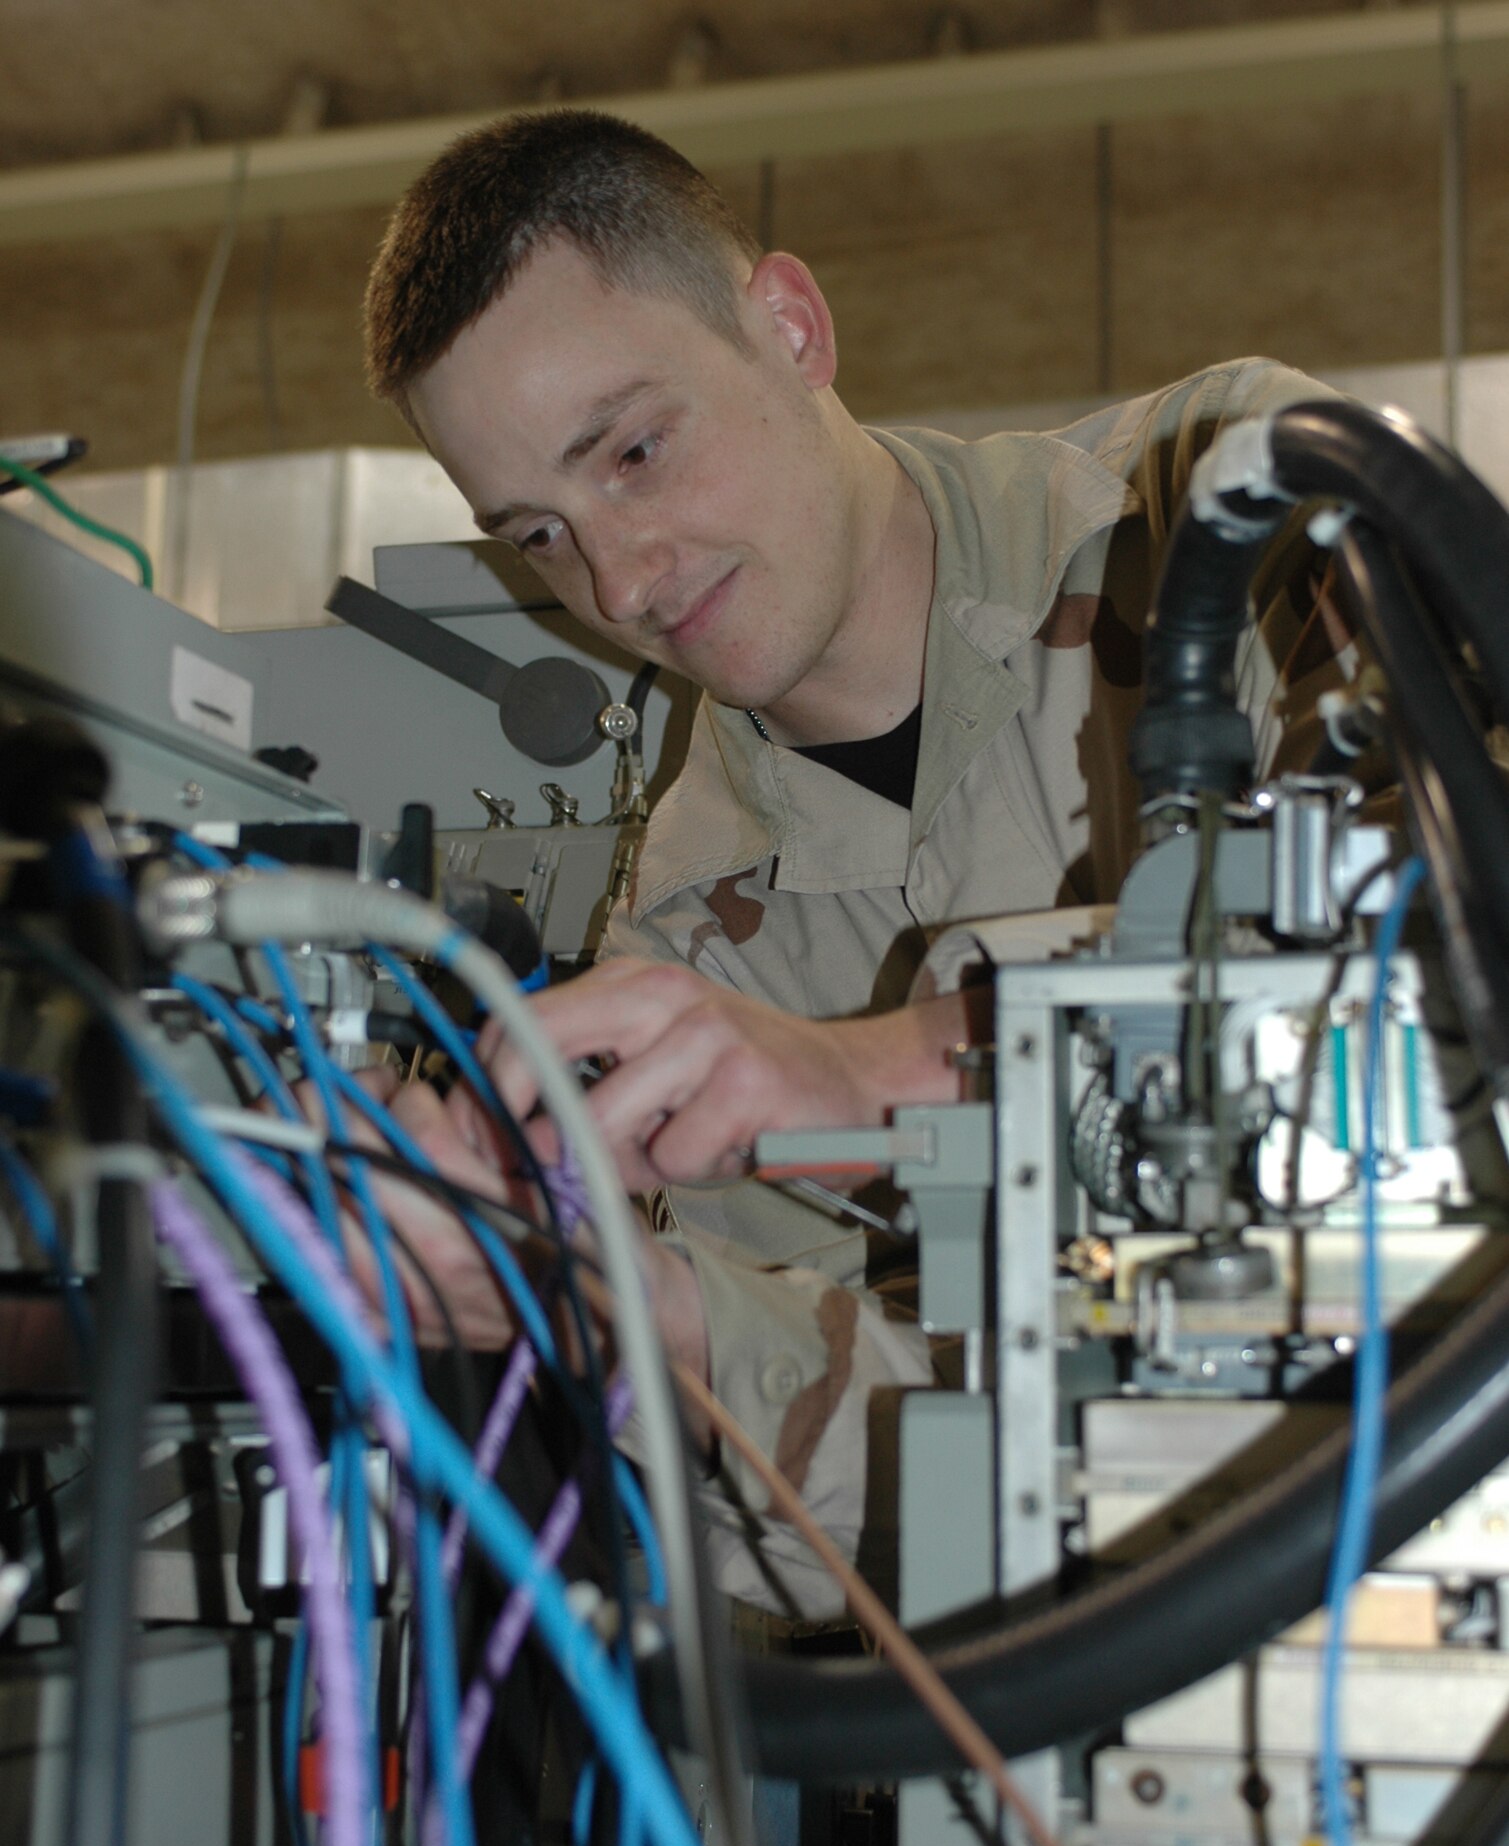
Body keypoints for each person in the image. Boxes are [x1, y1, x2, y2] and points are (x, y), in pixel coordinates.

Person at [360, 108, 1342, 1613]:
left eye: (634, 449)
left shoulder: (1220, 505)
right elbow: (905, 1494)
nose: (620, 579)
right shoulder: (687, 951)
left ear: (791, 326)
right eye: (540, 535)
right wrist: (642, 1322)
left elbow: (1451, 953)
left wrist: (891, 1065)